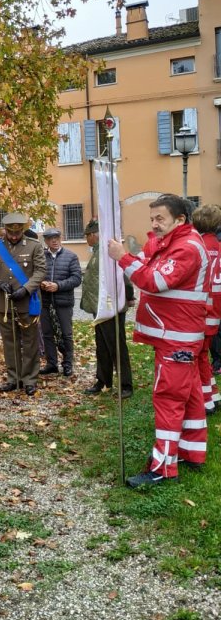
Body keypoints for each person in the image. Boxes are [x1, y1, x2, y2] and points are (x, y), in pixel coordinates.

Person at [109, 194, 210, 487]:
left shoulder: (186, 247)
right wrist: (134, 254)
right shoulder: (174, 243)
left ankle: (162, 468)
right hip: (177, 336)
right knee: (190, 395)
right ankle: (192, 452)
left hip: (176, 338)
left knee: (168, 399)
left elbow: (154, 281)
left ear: (180, 219)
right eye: (152, 218)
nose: (154, 224)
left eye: (160, 219)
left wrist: (122, 258)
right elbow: (149, 265)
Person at [0, 212, 45, 396]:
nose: (14, 236)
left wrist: (26, 289)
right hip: (4, 303)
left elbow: (41, 271)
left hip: (27, 301)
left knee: (30, 342)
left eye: (18, 233)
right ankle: (13, 378)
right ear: (6, 230)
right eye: (11, 233)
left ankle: (30, 380)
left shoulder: (34, 246)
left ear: (23, 230)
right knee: (10, 343)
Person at [79, 218, 133, 399]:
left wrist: (129, 295)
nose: (86, 239)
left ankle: (125, 385)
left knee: (117, 347)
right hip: (99, 307)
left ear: (94, 235)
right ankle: (103, 381)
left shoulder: (107, 252)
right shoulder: (98, 251)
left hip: (111, 306)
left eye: (87, 235)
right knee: (102, 347)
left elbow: (122, 274)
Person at [39, 228, 82, 377]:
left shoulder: (71, 256)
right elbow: (36, 275)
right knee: (47, 334)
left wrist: (58, 286)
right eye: (51, 239)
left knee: (66, 334)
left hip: (63, 301)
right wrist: (41, 283)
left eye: (56, 237)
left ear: (60, 238)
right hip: (45, 301)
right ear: (46, 241)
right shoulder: (41, 257)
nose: (54, 241)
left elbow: (76, 278)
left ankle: (67, 364)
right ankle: (52, 364)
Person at [191, 204, 221, 415]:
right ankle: (214, 395)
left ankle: (206, 401)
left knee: (199, 357)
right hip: (215, 310)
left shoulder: (198, 245)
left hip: (203, 309)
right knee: (203, 355)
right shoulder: (217, 246)